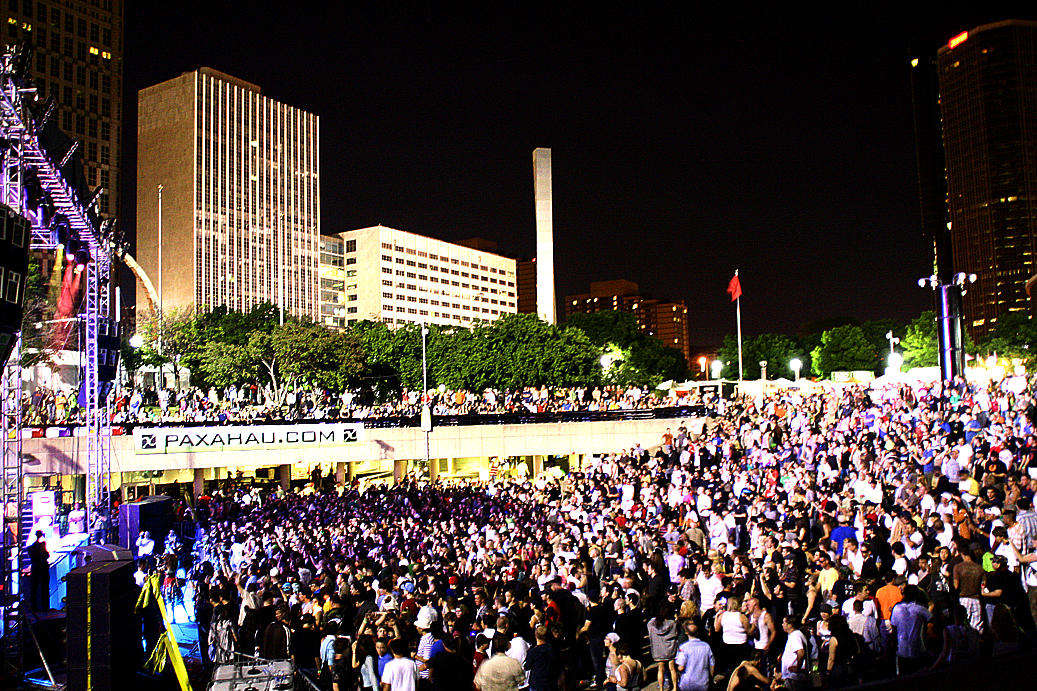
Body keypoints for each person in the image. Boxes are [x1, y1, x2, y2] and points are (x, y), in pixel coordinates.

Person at [888, 586, 930, 676]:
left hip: (902, 648)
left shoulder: (897, 609)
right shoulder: (921, 610)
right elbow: (932, 621)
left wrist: (893, 644)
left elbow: (894, 628)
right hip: (917, 647)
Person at [648, 602, 679, 691]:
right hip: (670, 650)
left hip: (658, 651)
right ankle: (675, 687)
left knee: (660, 670)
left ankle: (661, 688)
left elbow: (648, 626)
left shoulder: (653, 623)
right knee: (672, 669)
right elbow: (676, 633)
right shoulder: (672, 623)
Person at [675, 620, 714, 691]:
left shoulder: (683, 647)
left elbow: (681, 667)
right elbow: (712, 664)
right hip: (703, 682)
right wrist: (710, 678)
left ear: (686, 633)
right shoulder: (706, 646)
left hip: (688, 683)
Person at [27, 530, 50, 611]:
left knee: (35, 588)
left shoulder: (32, 547)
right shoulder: (40, 545)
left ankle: (35, 607)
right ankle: (44, 606)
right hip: (42, 568)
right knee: (43, 588)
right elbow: (46, 555)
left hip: (37, 568)